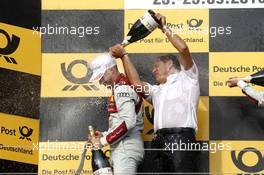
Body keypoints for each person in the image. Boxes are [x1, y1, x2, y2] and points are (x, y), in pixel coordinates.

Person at [110, 12, 200, 173]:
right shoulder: (156, 90)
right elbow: (136, 84)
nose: (153, 70)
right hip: (159, 141)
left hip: (183, 140)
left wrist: (164, 28)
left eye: (156, 66)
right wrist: (124, 56)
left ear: (170, 64)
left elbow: (184, 49)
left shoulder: (188, 78)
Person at [89, 54, 144, 174]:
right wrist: (103, 135)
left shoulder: (122, 89)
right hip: (122, 147)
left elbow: (128, 123)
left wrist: (103, 141)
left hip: (126, 148)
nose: (101, 81)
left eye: (102, 76)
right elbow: (121, 123)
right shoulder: (119, 87)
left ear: (111, 69)